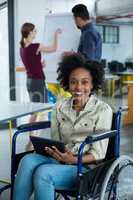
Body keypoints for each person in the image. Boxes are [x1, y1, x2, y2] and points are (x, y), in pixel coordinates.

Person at [13, 53, 112, 200]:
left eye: (84, 82)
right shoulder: (60, 106)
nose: (78, 87)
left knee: (43, 173)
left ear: (92, 84)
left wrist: (73, 160)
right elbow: (56, 141)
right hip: (60, 159)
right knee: (27, 160)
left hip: (84, 168)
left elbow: (99, 154)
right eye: (73, 82)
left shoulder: (103, 110)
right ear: (67, 83)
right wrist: (53, 150)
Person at [20, 23, 62, 150]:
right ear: (29, 32)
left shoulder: (22, 48)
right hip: (38, 82)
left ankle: (31, 139)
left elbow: (30, 64)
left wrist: (40, 65)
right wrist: (56, 35)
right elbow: (54, 48)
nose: (35, 33)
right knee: (41, 111)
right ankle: (32, 141)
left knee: (36, 111)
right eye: (34, 31)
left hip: (30, 81)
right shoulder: (35, 46)